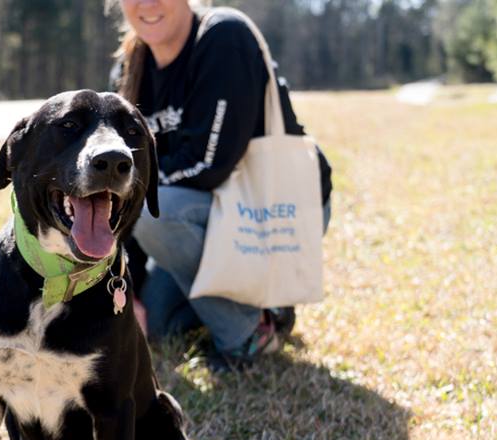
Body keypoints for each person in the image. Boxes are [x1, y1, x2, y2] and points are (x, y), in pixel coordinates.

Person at [111, 0, 332, 369]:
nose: (147, 3)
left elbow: (208, 165)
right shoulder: (127, 68)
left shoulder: (223, 36)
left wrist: (138, 190)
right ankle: (267, 306)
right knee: (159, 320)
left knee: (154, 213)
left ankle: (248, 336)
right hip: (201, 216)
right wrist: (128, 286)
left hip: (275, 210)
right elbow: (123, 187)